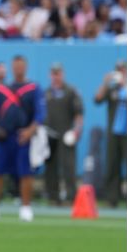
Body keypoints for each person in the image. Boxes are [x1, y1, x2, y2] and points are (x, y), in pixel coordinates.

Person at [0, 55, 45, 222]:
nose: (18, 69)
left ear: (26, 67)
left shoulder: (33, 88)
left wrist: (30, 131)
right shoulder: (2, 89)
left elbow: (40, 113)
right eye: (16, 66)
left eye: (21, 66)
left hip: (22, 136)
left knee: (25, 173)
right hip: (3, 136)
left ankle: (26, 207)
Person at [44, 63, 84, 206]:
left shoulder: (71, 91)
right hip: (50, 134)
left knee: (68, 166)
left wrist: (77, 130)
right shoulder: (47, 92)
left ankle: (71, 196)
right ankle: (53, 196)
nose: (56, 77)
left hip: (66, 133)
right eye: (53, 74)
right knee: (51, 166)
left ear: (63, 74)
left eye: (58, 73)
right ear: (50, 75)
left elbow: (79, 113)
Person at [94, 60, 127, 207]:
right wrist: (105, 83)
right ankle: (112, 198)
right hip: (114, 132)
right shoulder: (112, 88)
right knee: (112, 165)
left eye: (123, 70)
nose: (121, 72)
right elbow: (97, 99)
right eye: (118, 70)